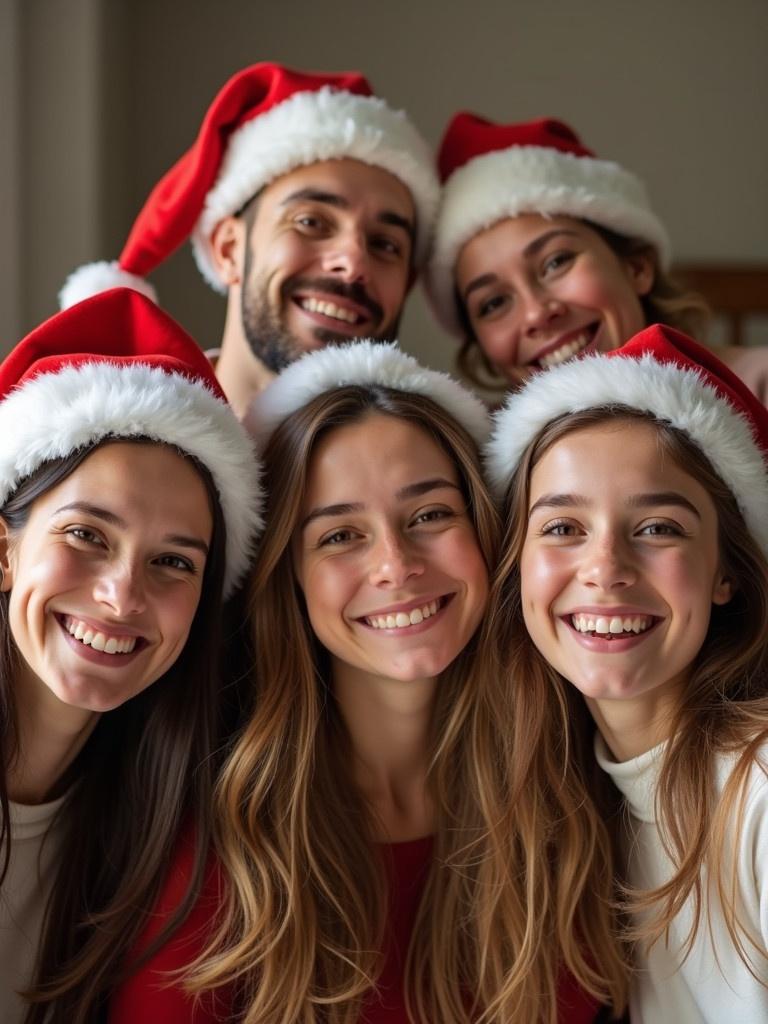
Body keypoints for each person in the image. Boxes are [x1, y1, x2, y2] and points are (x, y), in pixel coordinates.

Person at [109, 341, 607, 1023]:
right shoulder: (223, 830)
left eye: (430, 514)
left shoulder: (564, 790)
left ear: (487, 531)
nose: (396, 565)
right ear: (290, 576)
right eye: (341, 536)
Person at [484, 323, 768, 1022]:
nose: (605, 567)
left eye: (658, 528)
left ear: (725, 572)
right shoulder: (551, 799)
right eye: (562, 528)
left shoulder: (759, 789)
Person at [0, 288, 262, 1023]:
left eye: (174, 563)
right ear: (4, 551)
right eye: (87, 535)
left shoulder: (165, 827)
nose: (122, 597)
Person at [59, 62, 439, 418]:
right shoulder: (119, 444)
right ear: (228, 250)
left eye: (386, 244)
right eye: (310, 222)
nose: (354, 262)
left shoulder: (443, 465)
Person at [426, 114, 768, 403]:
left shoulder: (759, 387)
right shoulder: (483, 463)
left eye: (556, 262)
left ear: (636, 267)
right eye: (493, 303)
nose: (536, 314)